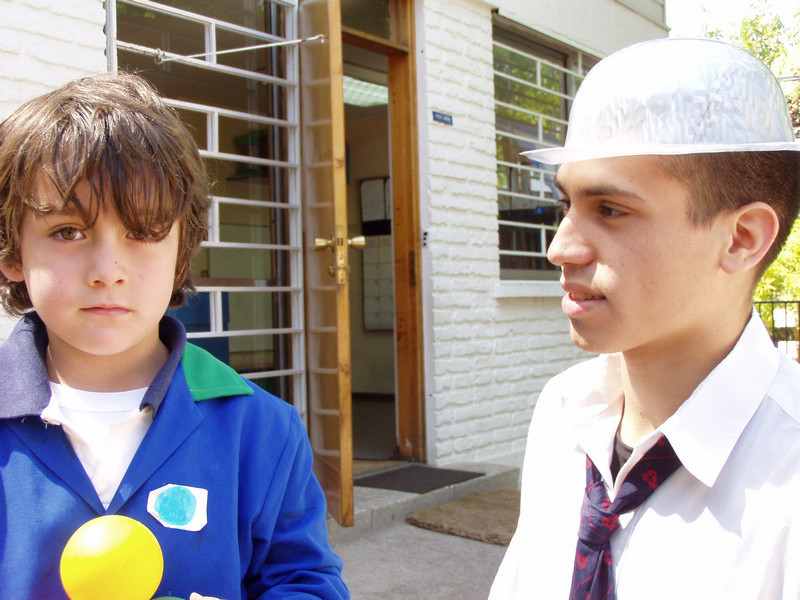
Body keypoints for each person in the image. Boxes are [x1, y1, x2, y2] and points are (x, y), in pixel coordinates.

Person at [0, 72, 349, 600]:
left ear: (182, 254)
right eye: (68, 231)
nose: (108, 271)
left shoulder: (260, 429)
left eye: (143, 232)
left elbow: (304, 580)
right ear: (12, 252)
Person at [489, 37, 800, 600]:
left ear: (742, 238)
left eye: (611, 210)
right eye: (566, 205)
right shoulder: (565, 411)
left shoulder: (787, 480)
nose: (560, 248)